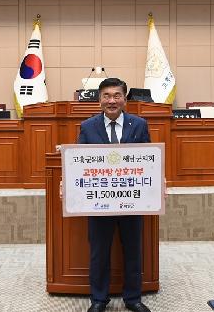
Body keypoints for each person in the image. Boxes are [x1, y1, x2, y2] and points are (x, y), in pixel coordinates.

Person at [78, 77, 152, 312]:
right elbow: (79, 163)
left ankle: (133, 298)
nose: (112, 101)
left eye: (117, 96)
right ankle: (99, 299)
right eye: (107, 96)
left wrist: (157, 183)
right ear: (99, 100)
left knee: (133, 250)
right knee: (99, 253)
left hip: (131, 200)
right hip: (99, 202)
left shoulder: (139, 125)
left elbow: (149, 160)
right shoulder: (87, 127)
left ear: (124, 99)